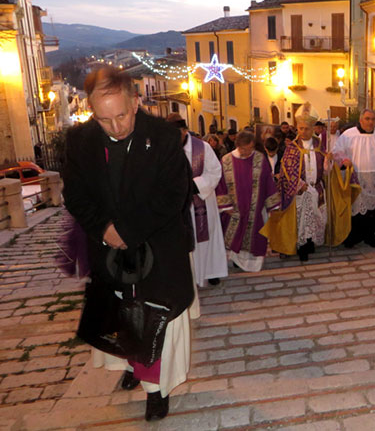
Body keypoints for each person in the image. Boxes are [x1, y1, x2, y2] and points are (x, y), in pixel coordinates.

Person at [62, 67, 194, 421]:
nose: (116, 127)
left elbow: (173, 194)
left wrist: (128, 229)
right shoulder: (79, 141)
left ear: (135, 102)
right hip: (109, 254)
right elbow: (74, 194)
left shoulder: (164, 137)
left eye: (121, 115)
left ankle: (157, 389)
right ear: (93, 113)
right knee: (120, 317)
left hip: (158, 251)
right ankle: (132, 367)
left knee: (156, 322)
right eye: (105, 120)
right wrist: (104, 229)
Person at [167, 115, 228, 288]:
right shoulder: (163, 147)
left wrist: (195, 185)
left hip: (200, 201)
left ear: (185, 131)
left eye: (176, 133)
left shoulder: (203, 147)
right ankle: (187, 277)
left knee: (205, 237)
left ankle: (211, 271)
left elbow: (215, 171)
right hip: (176, 204)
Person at [216, 131, 281, 272]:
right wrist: (225, 206)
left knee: (254, 237)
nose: (248, 152)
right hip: (235, 209)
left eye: (251, 148)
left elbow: (268, 182)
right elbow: (220, 185)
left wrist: (273, 205)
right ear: (238, 145)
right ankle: (235, 260)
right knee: (236, 237)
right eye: (245, 149)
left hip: (255, 210)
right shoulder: (226, 160)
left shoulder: (259, 159)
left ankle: (253, 264)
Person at [332, 108, 375, 248]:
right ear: (360, 120)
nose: (370, 122)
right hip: (357, 177)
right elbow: (337, 151)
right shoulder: (348, 135)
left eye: (373, 119)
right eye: (367, 119)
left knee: (374, 211)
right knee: (356, 209)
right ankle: (353, 236)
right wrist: (344, 160)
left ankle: (370, 236)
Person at [278, 110, 328, 262]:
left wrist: (329, 161)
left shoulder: (319, 145)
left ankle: (310, 242)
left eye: (307, 128)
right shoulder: (292, 147)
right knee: (302, 220)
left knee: (316, 218)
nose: (303, 132)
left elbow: (326, 168)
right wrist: (300, 184)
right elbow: (287, 169)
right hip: (302, 190)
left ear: (313, 129)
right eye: (300, 128)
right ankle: (302, 247)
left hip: (317, 187)